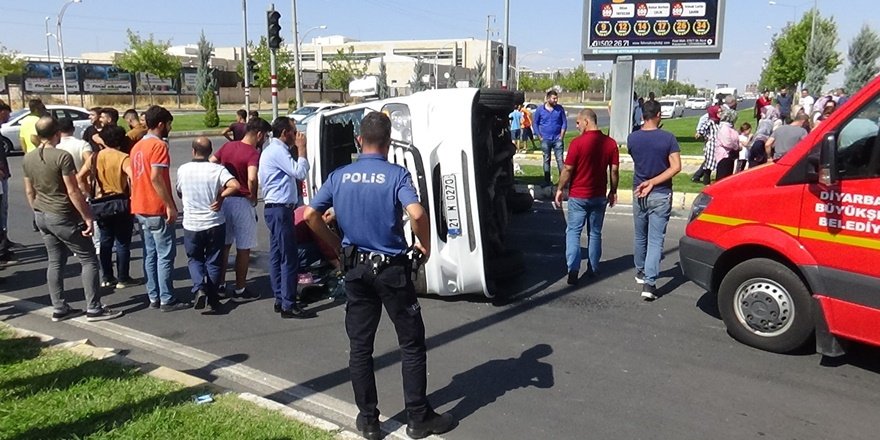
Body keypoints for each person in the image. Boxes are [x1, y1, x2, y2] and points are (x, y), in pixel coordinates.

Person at [303, 112, 456, 440]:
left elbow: (309, 215)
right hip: (391, 270)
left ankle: (369, 421)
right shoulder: (396, 175)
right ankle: (418, 418)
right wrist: (424, 245)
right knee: (411, 343)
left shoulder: (340, 175)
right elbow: (416, 213)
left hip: (355, 269)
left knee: (360, 346)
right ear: (388, 143)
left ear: (359, 140)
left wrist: (336, 249)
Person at [22, 116, 122, 322]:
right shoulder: (62, 156)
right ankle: (94, 308)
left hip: (42, 213)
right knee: (88, 259)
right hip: (62, 214)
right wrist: (87, 217)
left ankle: (59, 307)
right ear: (56, 133)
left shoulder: (28, 158)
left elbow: (29, 191)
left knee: (55, 260)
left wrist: (37, 211)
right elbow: (73, 190)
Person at [130, 105, 192, 312]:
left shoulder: (137, 146)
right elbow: (156, 177)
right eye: (168, 124)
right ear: (160, 124)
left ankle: (153, 295)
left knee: (150, 254)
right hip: (155, 206)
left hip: (140, 206)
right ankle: (167, 298)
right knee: (165, 254)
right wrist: (169, 205)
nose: (170, 128)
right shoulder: (159, 146)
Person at [258, 116, 315, 319]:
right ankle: (288, 303)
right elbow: (299, 172)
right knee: (288, 256)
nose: (296, 135)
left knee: (276, 255)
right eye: (293, 131)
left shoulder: (270, 150)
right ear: (285, 133)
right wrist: (302, 149)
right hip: (280, 209)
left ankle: (281, 297)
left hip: (276, 208)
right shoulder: (278, 151)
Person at [554, 109, 619, 286]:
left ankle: (573, 269)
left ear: (586, 121)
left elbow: (568, 169)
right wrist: (613, 190)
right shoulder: (610, 144)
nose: (577, 126)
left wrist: (560, 188)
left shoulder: (577, 143)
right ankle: (593, 267)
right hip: (598, 195)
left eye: (578, 123)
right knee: (595, 232)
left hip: (578, 195)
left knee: (573, 232)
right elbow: (613, 170)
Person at [177, 137, 240, 313]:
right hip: (214, 222)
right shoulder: (217, 170)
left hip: (192, 224)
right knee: (213, 261)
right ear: (210, 152)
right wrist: (221, 197)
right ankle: (212, 298)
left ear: (193, 151)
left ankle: (199, 287)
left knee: (195, 258)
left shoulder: (183, 170)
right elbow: (235, 185)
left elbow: (180, 191)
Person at [627, 100, 681, 301]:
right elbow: (676, 166)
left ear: (642, 115)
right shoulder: (668, 138)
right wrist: (654, 181)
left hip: (638, 191)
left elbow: (636, 159)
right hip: (660, 192)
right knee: (656, 239)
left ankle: (640, 271)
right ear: (658, 115)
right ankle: (649, 283)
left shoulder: (633, 138)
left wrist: (646, 180)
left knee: (641, 235)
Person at [210, 117, 271, 297]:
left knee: (225, 245)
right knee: (243, 248)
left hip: (225, 199)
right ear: (259, 134)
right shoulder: (253, 153)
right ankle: (240, 288)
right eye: (265, 135)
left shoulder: (228, 147)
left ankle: (220, 284)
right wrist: (252, 196)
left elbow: (212, 161)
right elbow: (252, 177)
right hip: (242, 201)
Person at [76, 125, 138, 289]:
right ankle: (123, 277)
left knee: (105, 240)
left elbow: (80, 176)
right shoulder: (123, 157)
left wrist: (89, 192)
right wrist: (132, 194)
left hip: (101, 202)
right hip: (121, 201)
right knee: (123, 243)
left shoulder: (95, 157)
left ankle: (107, 276)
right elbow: (133, 177)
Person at [533, 90, 568, 185]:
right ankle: (547, 181)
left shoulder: (560, 109)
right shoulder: (540, 110)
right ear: (548, 99)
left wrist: (561, 136)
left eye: (557, 98)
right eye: (554, 98)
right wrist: (540, 136)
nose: (556, 100)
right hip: (545, 139)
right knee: (546, 160)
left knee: (560, 160)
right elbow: (535, 123)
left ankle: (563, 182)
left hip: (557, 139)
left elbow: (564, 122)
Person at [693, 105, 720, 184]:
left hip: (717, 145)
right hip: (711, 145)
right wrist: (704, 135)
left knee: (714, 163)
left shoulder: (718, 122)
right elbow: (702, 129)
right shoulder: (710, 122)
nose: (720, 113)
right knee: (709, 164)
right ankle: (706, 182)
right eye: (719, 112)